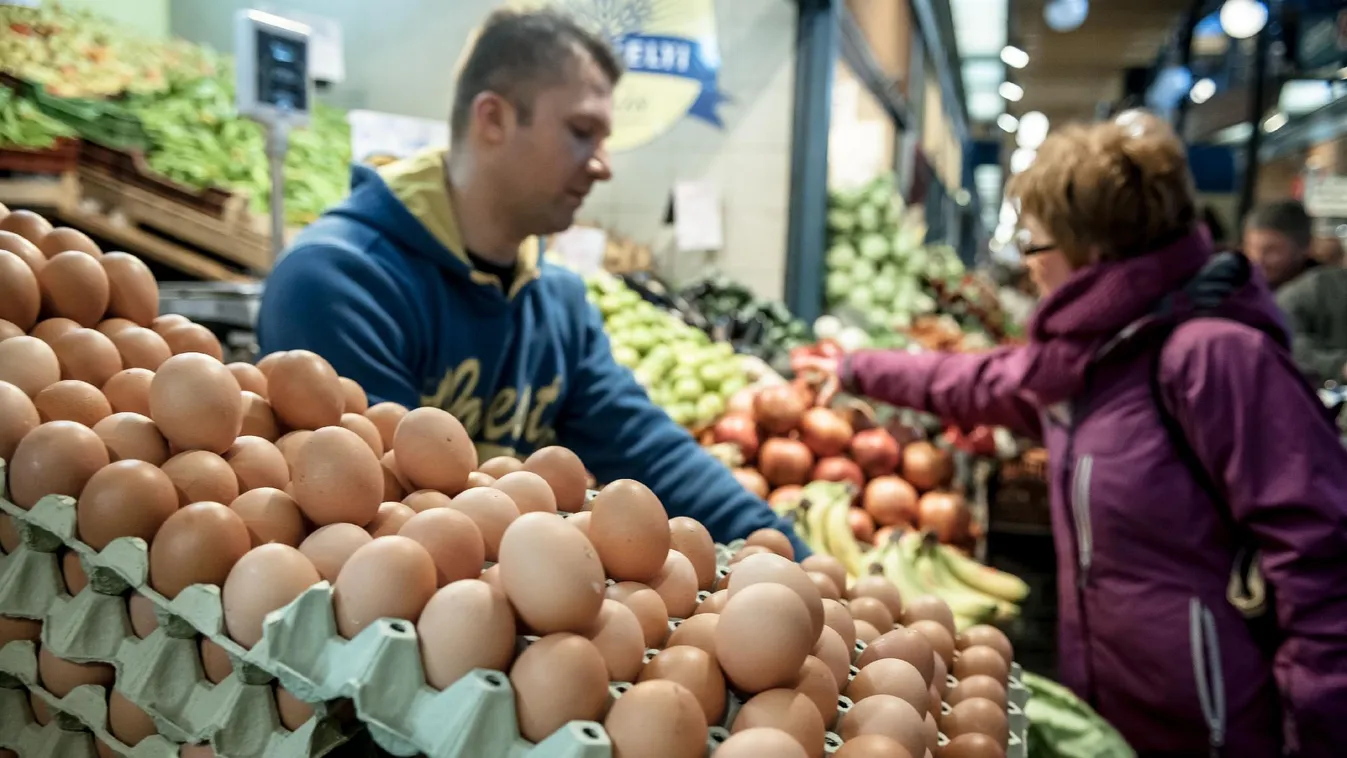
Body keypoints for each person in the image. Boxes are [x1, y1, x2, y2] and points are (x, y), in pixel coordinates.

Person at [802, 113, 1347, 756]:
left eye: (1035, 244)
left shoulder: (1215, 359)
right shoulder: (1088, 359)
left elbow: (1322, 559)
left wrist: (1320, 730)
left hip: (1218, 721)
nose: (1027, 265)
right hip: (1118, 701)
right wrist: (856, 367)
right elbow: (981, 381)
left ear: (1092, 249)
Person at [255, 9, 805, 555]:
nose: (604, 165)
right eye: (582, 132)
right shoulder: (340, 282)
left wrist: (797, 558)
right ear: (493, 119)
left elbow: (650, 453)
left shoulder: (556, 302)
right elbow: (379, 516)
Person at [1244, 200, 1347, 385]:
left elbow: (1290, 344)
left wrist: (1337, 366)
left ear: (1304, 247)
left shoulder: (1317, 289)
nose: (1257, 260)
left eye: (1272, 250)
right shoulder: (1246, 293)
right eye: (1251, 248)